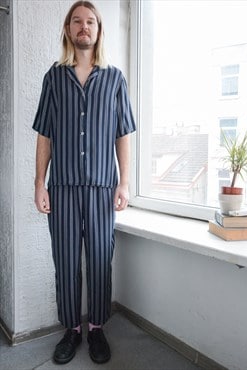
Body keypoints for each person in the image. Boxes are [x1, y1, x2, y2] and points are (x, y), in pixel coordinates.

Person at [32, 0, 136, 365]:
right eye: (77, 21)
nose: (83, 27)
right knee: (65, 260)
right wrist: (39, 183)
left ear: (98, 30)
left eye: (90, 21)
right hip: (61, 188)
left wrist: (124, 183)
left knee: (100, 260)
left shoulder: (114, 79)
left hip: (102, 189)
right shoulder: (53, 77)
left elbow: (123, 134)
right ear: (67, 29)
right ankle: (71, 331)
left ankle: (96, 329)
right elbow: (44, 135)